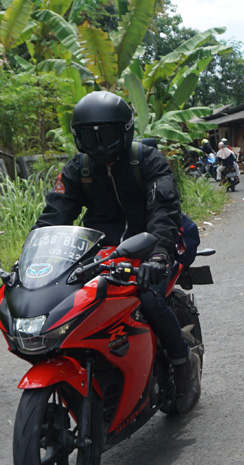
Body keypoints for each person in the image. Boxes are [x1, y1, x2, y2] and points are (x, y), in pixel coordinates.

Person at [32, 91, 200, 413]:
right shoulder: (78, 169)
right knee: (65, 299)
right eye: (88, 136)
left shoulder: (148, 161)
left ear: (123, 132)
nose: (98, 145)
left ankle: (182, 362)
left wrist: (159, 255)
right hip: (99, 249)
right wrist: (35, 258)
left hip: (148, 245)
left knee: (149, 298)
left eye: (106, 134)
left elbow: (163, 212)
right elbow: (54, 215)